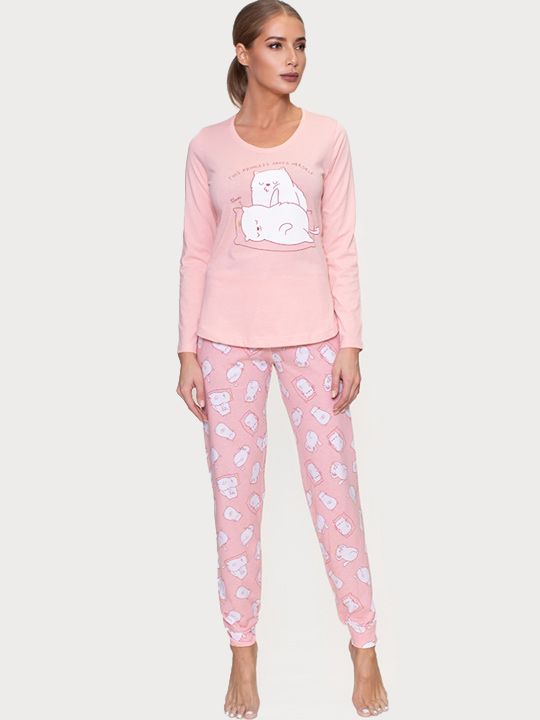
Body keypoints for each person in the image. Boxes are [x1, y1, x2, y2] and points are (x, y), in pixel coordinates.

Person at [176, 2, 389, 717]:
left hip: (313, 338)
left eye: (300, 45)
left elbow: (341, 244)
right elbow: (195, 251)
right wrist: (186, 350)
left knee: (336, 495)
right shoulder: (207, 146)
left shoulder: (328, 136)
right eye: (275, 45)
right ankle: (242, 652)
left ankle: (364, 643)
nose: (292, 58)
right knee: (235, 502)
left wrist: (351, 341)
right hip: (224, 339)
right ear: (243, 53)